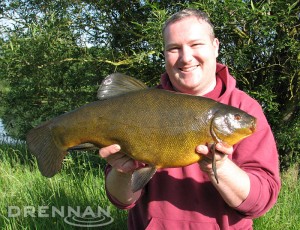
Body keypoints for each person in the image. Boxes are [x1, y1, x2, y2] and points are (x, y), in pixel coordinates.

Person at [99, 9, 281, 230]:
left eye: (196, 45)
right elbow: (122, 200)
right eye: (174, 48)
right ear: (164, 54)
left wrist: (220, 167)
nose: (186, 57)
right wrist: (122, 171)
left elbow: (261, 202)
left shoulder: (244, 108)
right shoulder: (140, 108)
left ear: (215, 46)